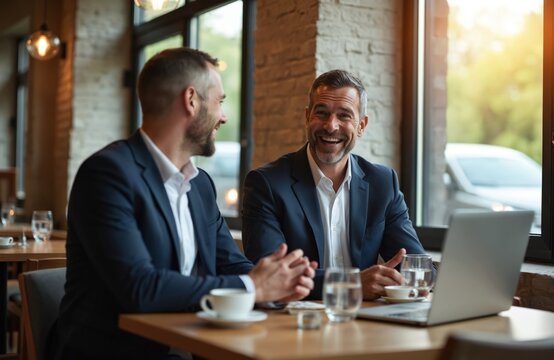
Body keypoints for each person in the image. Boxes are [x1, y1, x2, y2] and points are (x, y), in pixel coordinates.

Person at [53, 47, 316, 360]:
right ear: (191, 100)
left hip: (193, 347)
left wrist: (279, 285)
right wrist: (253, 287)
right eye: (219, 101)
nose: (223, 116)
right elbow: (141, 288)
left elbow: (229, 263)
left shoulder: (201, 185)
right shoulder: (107, 174)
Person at [242, 69, 429, 300]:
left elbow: (416, 265)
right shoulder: (267, 184)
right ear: (307, 117)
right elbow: (269, 276)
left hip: (366, 320)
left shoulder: (383, 182)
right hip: (296, 321)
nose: (331, 126)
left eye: (344, 116)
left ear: (361, 125)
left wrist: (416, 280)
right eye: (321, 113)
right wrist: (351, 284)